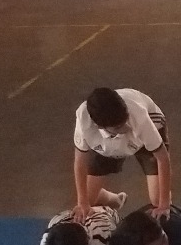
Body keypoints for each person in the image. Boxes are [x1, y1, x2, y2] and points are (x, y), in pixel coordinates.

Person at [72, 87, 172, 222]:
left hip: (144, 137)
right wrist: (82, 203)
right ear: (100, 126)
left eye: (125, 119)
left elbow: (163, 158)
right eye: (119, 126)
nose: (127, 128)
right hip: (106, 145)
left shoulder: (139, 116)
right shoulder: (83, 122)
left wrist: (164, 205)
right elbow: (80, 161)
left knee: (157, 200)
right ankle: (115, 200)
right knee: (87, 200)